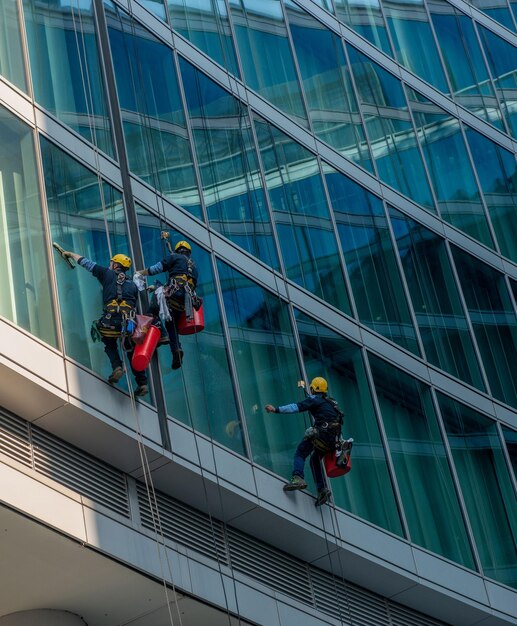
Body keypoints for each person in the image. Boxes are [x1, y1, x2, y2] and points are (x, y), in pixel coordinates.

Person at [59, 249, 148, 397]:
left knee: (109, 343)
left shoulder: (107, 274)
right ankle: (142, 383)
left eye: (111, 263)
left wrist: (70, 254)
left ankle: (117, 367)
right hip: (128, 326)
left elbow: (86, 263)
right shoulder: (133, 285)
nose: (109, 265)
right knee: (131, 351)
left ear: (115, 265)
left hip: (109, 323)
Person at [265, 377, 343, 507]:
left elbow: (296, 407)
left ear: (313, 388)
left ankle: (298, 478)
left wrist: (276, 409)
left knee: (300, 453)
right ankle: (322, 489)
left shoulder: (314, 400)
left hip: (321, 434)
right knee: (315, 460)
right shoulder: (332, 402)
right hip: (332, 440)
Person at [136, 239, 199, 370]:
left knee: (152, 310)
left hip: (174, 295)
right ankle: (176, 349)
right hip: (184, 303)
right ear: (188, 253)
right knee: (172, 325)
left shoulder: (174, 257)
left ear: (178, 251)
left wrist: (141, 272)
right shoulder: (194, 267)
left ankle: (162, 333)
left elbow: (156, 269)